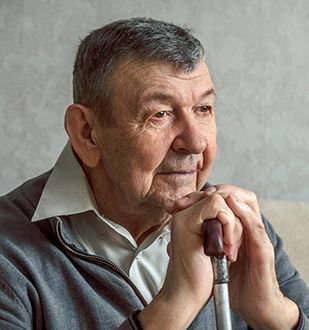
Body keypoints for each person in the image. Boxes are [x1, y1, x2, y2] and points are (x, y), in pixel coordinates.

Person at [0, 17, 308, 330]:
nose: (195, 142)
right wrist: (177, 304)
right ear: (87, 133)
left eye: (203, 109)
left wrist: (276, 315)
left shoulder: (237, 224)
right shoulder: (8, 250)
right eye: (159, 114)